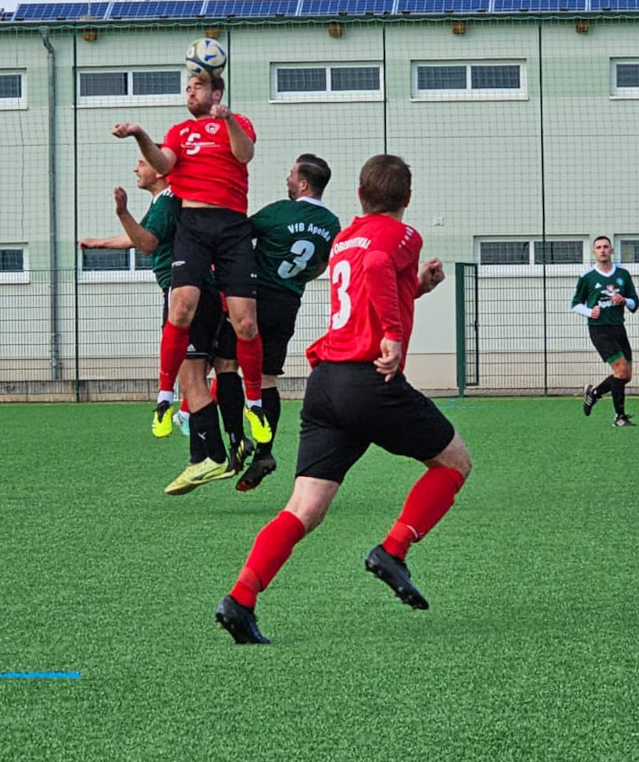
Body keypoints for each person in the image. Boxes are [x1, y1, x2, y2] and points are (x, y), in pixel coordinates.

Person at [214, 154, 472, 644]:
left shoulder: (345, 237)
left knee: (303, 509)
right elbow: (377, 271)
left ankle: (241, 598)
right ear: (408, 198)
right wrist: (393, 336)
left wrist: (417, 287)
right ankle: (393, 551)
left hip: (325, 385)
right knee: (454, 462)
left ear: (358, 195)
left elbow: (369, 294)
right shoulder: (403, 236)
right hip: (367, 380)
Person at [111, 73, 269, 447]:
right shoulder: (180, 132)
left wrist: (227, 118)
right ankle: (164, 397)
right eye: (187, 87)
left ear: (216, 92)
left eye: (197, 86)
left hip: (231, 225)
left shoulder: (239, 122)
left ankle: (256, 403)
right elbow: (163, 164)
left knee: (246, 322)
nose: (190, 92)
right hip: (194, 225)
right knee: (180, 308)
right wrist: (138, 133)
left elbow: (244, 154)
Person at [77, 157, 250, 492]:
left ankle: (211, 457)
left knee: (191, 378)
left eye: (141, 163)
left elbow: (147, 242)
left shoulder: (169, 199)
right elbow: (139, 236)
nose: (135, 169)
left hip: (185, 294)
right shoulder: (168, 203)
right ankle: (208, 454)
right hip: (204, 294)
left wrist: (121, 212)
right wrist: (99, 243)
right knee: (201, 376)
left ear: (159, 171)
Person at [235, 154, 342, 492]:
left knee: (224, 365)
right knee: (267, 378)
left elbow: (238, 235)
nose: (287, 179)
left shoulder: (281, 211)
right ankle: (263, 451)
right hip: (288, 301)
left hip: (253, 298)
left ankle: (234, 440)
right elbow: (324, 265)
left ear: (304, 183)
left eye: (291, 174)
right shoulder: (333, 224)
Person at [573, 236, 639, 426]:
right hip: (599, 329)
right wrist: (589, 311)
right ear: (594, 252)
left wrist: (624, 300)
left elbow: (635, 302)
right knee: (620, 370)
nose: (602, 250)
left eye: (605, 247)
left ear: (611, 250)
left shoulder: (623, 275)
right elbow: (575, 304)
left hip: (618, 327)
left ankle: (594, 394)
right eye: (598, 247)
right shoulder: (587, 277)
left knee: (626, 375)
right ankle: (619, 417)